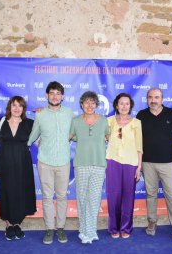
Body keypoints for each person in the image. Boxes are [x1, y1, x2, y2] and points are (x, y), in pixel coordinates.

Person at [28, 81, 74, 244]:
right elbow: (32, 136)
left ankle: (60, 228)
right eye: (52, 93)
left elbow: (75, 134)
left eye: (58, 93)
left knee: (62, 196)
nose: (55, 96)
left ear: (62, 97)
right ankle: (49, 229)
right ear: (47, 95)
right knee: (47, 197)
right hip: (45, 162)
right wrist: (18, 145)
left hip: (63, 162)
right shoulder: (40, 114)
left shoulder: (69, 113)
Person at [136, 88, 172, 240]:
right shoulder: (141, 115)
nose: (153, 100)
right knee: (151, 194)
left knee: (171, 194)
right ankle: (152, 221)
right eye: (150, 97)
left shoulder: (171, 114)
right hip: (147, 162)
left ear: (162, 99)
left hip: (168, 163)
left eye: (156, 97)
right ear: (147, 99)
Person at [70, 91, 109, 244]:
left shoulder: (104, 121)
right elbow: (67, 137)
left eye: (93, 102)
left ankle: (91, 231)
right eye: (86, 102)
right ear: (81, 104)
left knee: (94, 199)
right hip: (81, 164)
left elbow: (109, 138)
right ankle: (83, 231)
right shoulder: (75, 121)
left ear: (97, 105)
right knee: (82, 199)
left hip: (99, 165)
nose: (89, 105)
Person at [0, 96, 36, 240]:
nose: (16, 108)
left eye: (20, 106)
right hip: (4, 163)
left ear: (23, 108)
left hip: (23, 163)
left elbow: (43, 135)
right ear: (9, 107)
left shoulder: (30, 123)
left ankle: (17, 223)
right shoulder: (0, 122)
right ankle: (8, 224)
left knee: (21, 191)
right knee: (6, 191)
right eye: (14, 105)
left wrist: (42, 113)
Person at [106, 93, 142, 239]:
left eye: (127, 104)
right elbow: (101, 136)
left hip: (131, 163)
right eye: (121, 103)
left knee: (128, 196)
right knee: (113, 196)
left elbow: (139, 147)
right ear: (116, 105)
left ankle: (126, 228)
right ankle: (113, 227)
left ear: (130, 106)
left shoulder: (136, 123)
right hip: (112, 162)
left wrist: (139, 167)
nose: (124, 106)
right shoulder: (109, 121)